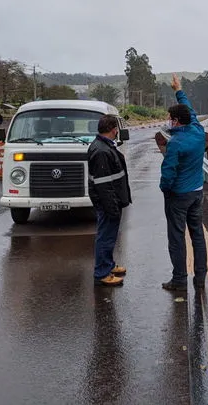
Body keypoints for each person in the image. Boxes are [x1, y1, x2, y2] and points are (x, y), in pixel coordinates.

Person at [159, 74, 207, 291]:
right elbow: (188, 108)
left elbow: (168, 173)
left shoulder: (176, 143)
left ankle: (179, 279)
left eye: (170, 118)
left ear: (176, 121)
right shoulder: (197, 130)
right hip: (197, 192)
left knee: (177, 238)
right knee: (197, 234)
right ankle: (200, 278)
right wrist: (179, 89)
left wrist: (165, 190)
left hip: (178, 195)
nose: (169, 121)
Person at [88, 115, 132, 287]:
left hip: (112, 200)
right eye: (117, 129)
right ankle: (102, 273)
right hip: (108, 202)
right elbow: (103, 184)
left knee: (109, 235)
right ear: (114, 129)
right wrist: (112, 206)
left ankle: (108, 265)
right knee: (105, 237)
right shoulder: (101, 151)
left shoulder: (104, 147)